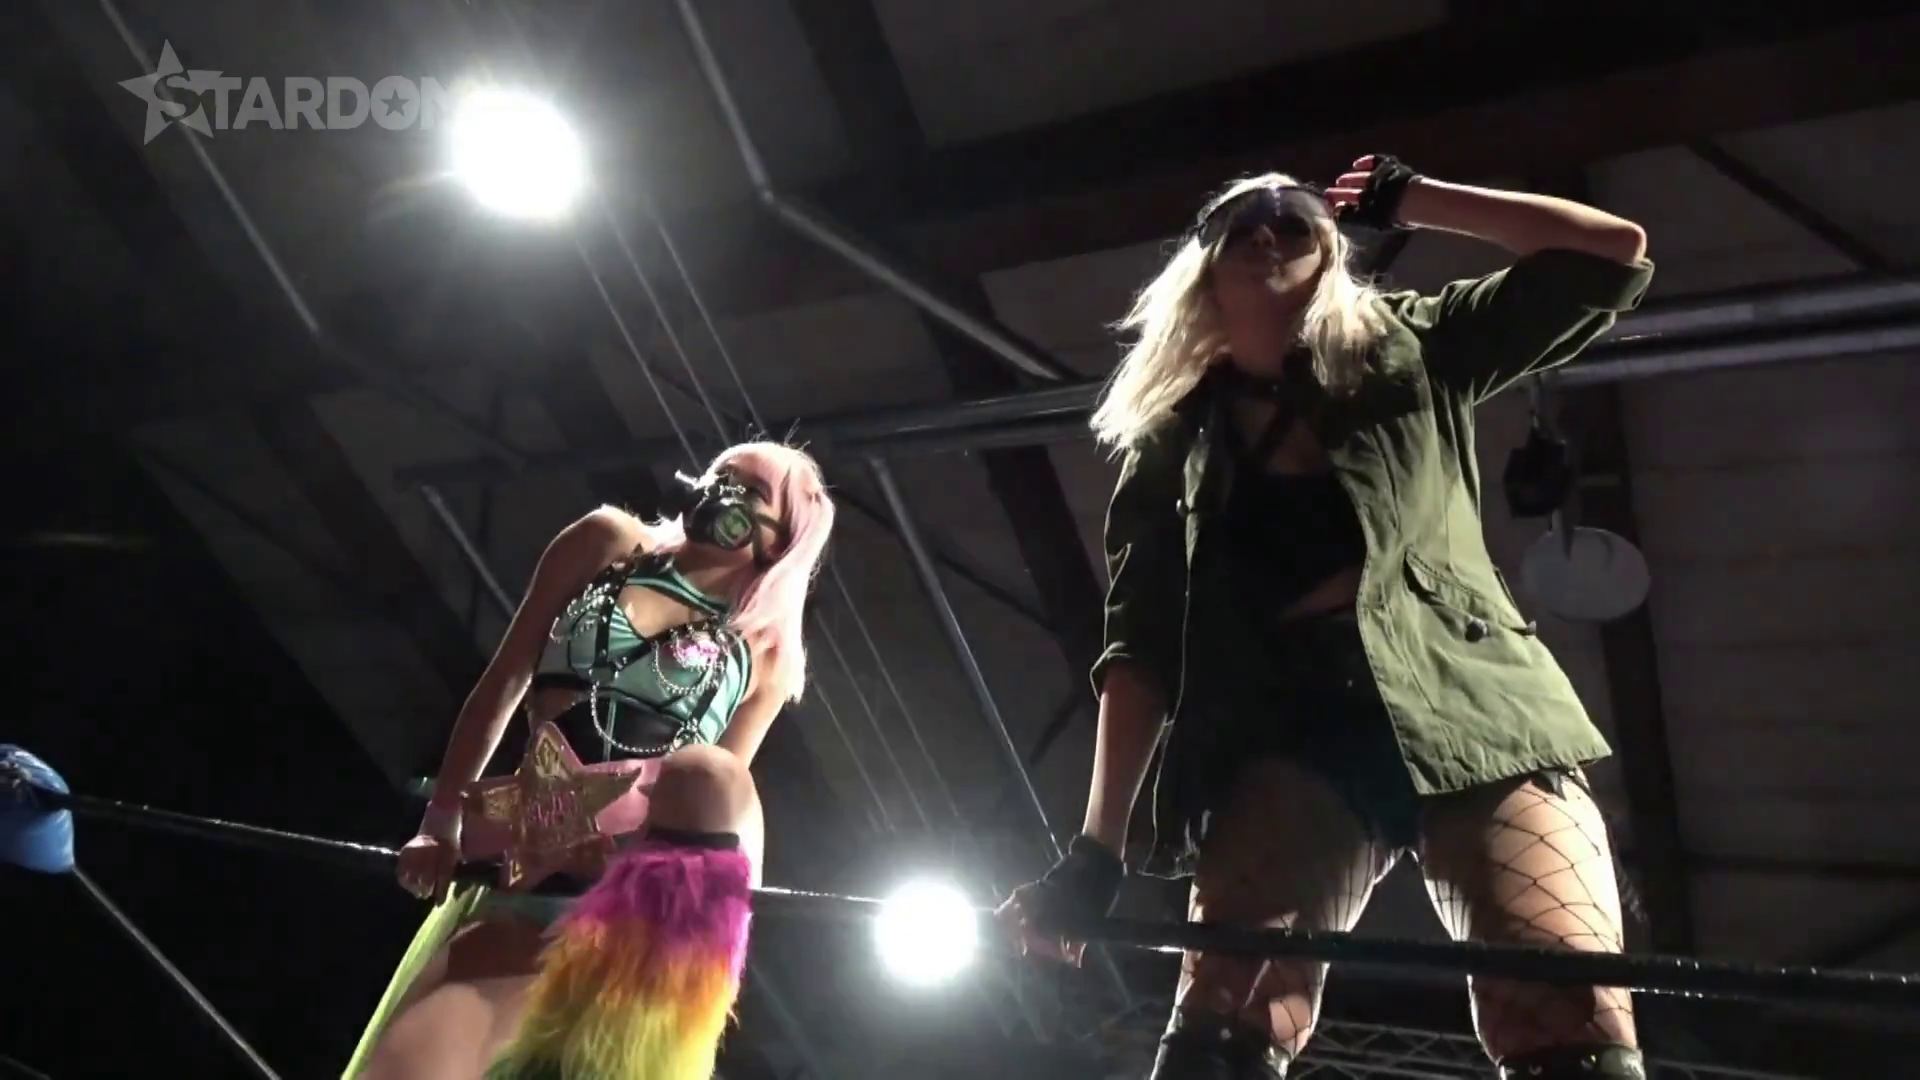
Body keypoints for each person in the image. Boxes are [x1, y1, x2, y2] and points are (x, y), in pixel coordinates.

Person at [997, 156, 1654, 1080]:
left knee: (1571, 1027)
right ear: (1202, 269)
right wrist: (1095, 855)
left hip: (1475, 705)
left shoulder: (1417, 344)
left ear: (1334, 250)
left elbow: (1609, 256)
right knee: (1216, 1039)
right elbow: (1136, 651)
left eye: (1296, 219)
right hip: (1290, 732)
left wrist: (1417, 200)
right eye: (1240, 224)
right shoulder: (1173, 442)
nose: (1268, 231)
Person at [344, 441, 835, 1080]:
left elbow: (714, 793)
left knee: (710, 776)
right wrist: (440, 823)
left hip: (630, 888)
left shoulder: (765, 655)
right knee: (416, 1060)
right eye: (720, 475)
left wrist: (642, 865)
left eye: (751, 490)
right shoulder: (609, 543)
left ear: (780, 540)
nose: (722, 493)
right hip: (532, 849)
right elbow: (504, 680)